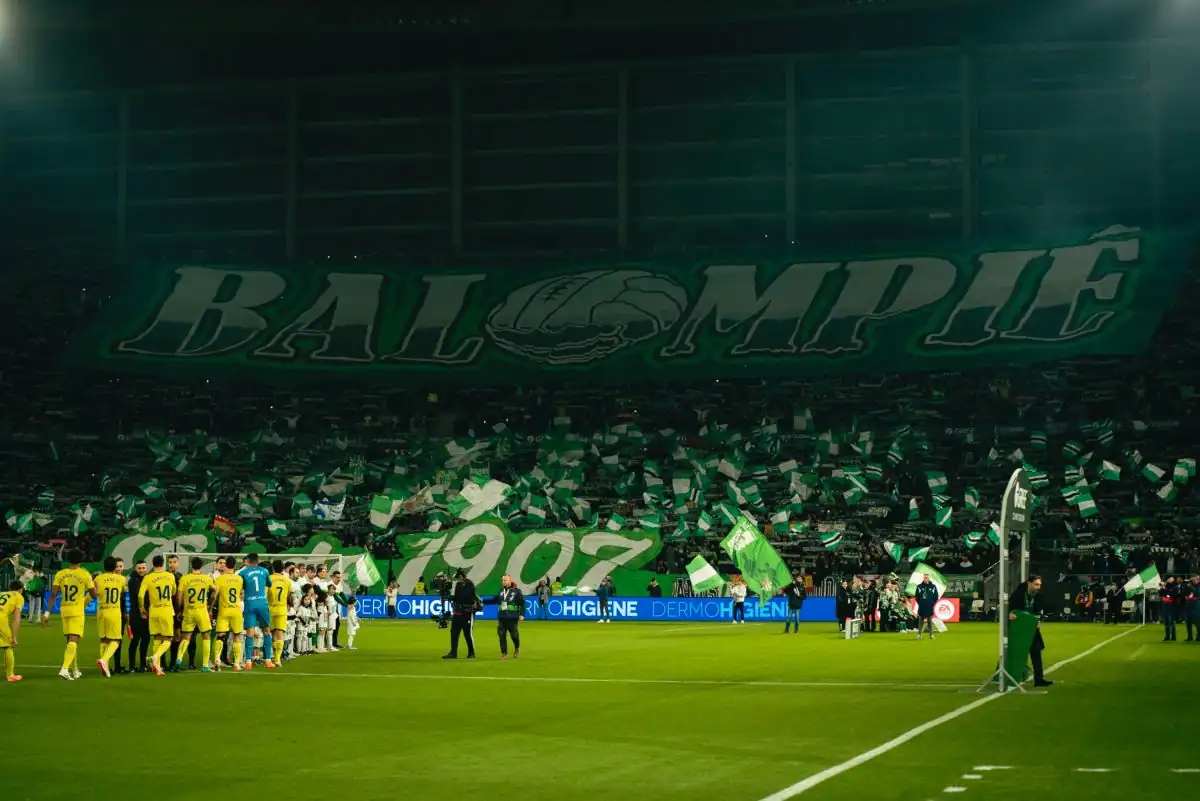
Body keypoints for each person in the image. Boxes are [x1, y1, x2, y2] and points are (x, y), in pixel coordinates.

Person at [45, 548, 96, 681]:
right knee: (74, 640)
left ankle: (75, 670)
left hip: (64, 610)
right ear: (81, 559)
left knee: (70, 641)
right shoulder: (85, 574)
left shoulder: (60, 574)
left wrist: (47, 613)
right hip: (77, 611)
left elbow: (53, 594)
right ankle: (64, 669)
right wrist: (94, 586)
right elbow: (93, 595)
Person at [1009, 575, 1053, 688]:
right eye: (1036, 584)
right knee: (1016, 653)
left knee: (1036, 653)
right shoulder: (1018, 594)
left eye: (1040, 585)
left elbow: (1038, 612)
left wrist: (1038, 620)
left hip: (1032, 630)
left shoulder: (1039, 597)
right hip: (1019, 631)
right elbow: (1010, 609)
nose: (1038, 587)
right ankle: (1012, 677)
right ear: (1029, 583)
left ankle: (1039, 679)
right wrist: (1010, 613)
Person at [138, 555, 178, 676]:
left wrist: (142, 608)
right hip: (166, 610)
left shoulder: (148, 578)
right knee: (168, 639)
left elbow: (140, 595)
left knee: (157, 638)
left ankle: (158, 667)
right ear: (163, 563)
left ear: (153, 564)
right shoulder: (170, 576)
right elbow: (173, 592)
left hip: (153, 611)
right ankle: (155, 657)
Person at [176, 557, 215, 673]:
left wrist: (179, 611)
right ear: (201, 566)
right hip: (202, 611)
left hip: (188, 612)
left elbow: (179, 597)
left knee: (186, 637)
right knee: (206, 636)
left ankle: (179, 659)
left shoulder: (184, 578)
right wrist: (210, 606)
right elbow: (214, 592)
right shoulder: (206, 578)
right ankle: (205, 665)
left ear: (191, 566)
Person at [238, 553, 274, 668]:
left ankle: (248, 662)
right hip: (262, 604)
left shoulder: (243, 573)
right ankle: (268, 660)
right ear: (258, 560)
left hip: (249, 604)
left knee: (250, 633)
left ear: (247, 561)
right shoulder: (264, 571)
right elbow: (269, 584)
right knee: (267, 631)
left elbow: (240, 586)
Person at [94, 557, 127, 678]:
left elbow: (94, 594)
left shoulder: (98, 579)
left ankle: (106, 668)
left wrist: (83, 603)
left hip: (102, 611)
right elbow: (124, 593)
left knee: (104, 640)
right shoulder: (121, 579)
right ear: (114, 567)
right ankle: (104, 659)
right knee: (116, 640)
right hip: (114, 612)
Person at [212, 557, 245, 671]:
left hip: (224, 610)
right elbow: (241, 594)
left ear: (226, 565)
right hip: (236, 610)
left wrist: (210, 607)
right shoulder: (239, 579)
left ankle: (217, 659)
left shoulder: (220, 579)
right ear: (235, 565)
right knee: (237, 636)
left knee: (220, 635)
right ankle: (236, 663)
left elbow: (214, 595)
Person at [482, 574, 524, 659]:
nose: (503, 582)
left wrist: (522, 614)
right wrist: (482, 601)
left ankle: (517, 648)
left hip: (512, 617)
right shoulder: (501, 591)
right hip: (502, 617)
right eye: (502, 580)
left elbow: (522, 603)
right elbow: (494, 600)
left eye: (505, 580)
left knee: (514, 635)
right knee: (501, 635)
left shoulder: (517, 591)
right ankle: (504, 653)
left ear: (510, 580)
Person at [443, 568, 479, 659]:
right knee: (454, 632)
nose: (457, 580)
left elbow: (467, 596)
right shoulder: (459, 585)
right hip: (457, 612)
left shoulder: (469, 584)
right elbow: (457, 597)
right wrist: (450, 597)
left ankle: (471, 652)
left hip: (467, 612)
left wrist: (454, 598)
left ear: (461, 576)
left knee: (467, 633)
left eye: (458, 578)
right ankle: (453, 653)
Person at [267, 560, 293, 663]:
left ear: (273, 568)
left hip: (270, 609)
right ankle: (278, 659)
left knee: (272, 633)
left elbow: (265, 594)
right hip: (282, 609)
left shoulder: (269, 578)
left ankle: (273, 655)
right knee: (280, 633)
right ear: (283, 569)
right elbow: (289, 596)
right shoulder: (287, 580)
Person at [127, 560, 150, 672]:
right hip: (136, 614)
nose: (141, 570)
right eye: (139, 568)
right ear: (136, 569)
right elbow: (138, 595)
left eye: (143, 568)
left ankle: (143, 664)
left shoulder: (149, 579)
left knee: (145, 640)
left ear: (146, 568)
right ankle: (131, 666)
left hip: (148, 614)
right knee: (135, 640)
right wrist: (142, 611)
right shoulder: (132, 581)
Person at [0, 580, 25, 682]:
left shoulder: (2, 593)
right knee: (8, 646)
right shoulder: (19, 597)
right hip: (1, 618)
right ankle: (10, 675)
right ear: (20, 589)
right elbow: (16, 618)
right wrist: (14, 637)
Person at [913, 574, 939, 641]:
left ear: (929, 578)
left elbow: (936, 596)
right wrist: (920, 603)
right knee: (920, 621)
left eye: (927, 578)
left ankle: (931, 635)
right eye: (924, 578)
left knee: (930, 621)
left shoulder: (933, 586)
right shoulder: (919, 586)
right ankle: (919, 635)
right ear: (923, 578)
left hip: (929, 606)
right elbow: (917, 596)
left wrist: (932, 603)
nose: (925, 579)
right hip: (922, 606)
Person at [1161, 576, 1179, 642]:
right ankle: (1167, 636)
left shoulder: (1175, 586)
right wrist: (1162, 588)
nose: (1169, 580)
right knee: (1166, 621)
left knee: (1171, 621)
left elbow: (1175, 595)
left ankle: (1173, 636)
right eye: (1168, 579)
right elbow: (1161, 594)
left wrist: (1166, 590)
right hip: (1165, 604)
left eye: (1171, 578)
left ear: (1173, 579)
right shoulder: (1166, 586)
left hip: (1172, 605)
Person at [1186, 575, 1200, 642]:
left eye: (1195, 579)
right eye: (1193, 579)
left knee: (1197, 622)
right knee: (1188, 622)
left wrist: (1191, 587)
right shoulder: (1190, 586)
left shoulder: (1198, 586)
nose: (1194, 581)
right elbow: (1185, 593)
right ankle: (1189, 636)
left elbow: (1198, 593)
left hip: (1196, 606)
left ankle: (1198, 636)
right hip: (1189, 605)